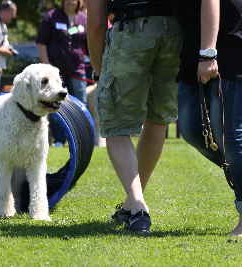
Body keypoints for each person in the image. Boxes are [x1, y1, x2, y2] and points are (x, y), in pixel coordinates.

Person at [86, 0, 181, 232]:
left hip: (131, 30)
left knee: (116, 125)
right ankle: (131, 204)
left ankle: (138, 208)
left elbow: (96, 23)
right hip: (174, 32)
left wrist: (99, 67)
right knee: (157, 120)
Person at [177, 0, 242, 236]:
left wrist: (207, 54)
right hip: (193, 51)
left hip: (225, 48)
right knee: (191, 129)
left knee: (230, 138)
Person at [36, 0, 88, 104]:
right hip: (56, 71)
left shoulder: (83, 18)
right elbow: (41, 43)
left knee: (81, 104)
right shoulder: (51, 16)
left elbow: (88, 44)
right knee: (56, 103)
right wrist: (47, 67)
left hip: (78, 70)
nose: (70, 2)